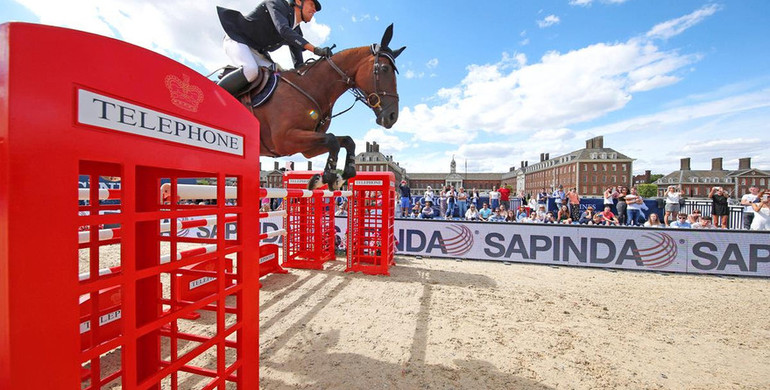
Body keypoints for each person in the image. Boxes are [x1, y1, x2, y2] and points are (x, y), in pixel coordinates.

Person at [216, 0, 333, 95]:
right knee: (250, 70)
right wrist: (316, 50)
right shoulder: (276, 4)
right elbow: (283, 30)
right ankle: (212, 94)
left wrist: (317, 71)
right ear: (298, 1)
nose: (314, 10)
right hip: (237, 38)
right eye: (311, 5)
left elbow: (299, 65)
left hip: (256, 51)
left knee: (278, 78)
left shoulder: (296, 31)